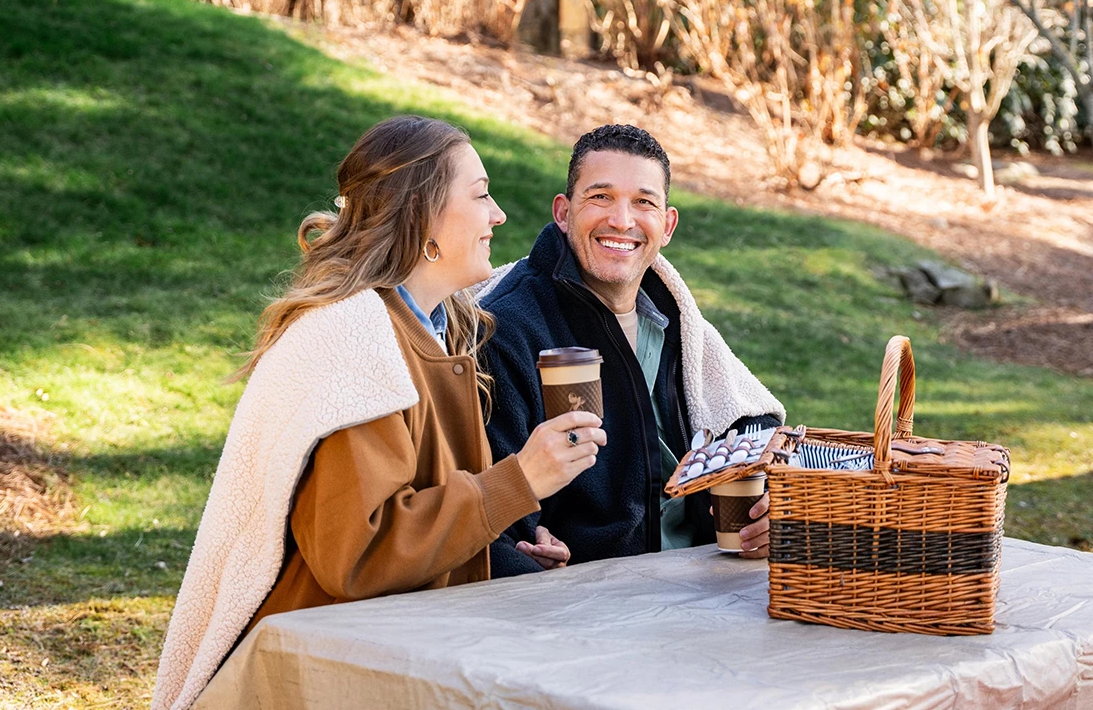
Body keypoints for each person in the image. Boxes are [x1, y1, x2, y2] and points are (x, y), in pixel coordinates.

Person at [152, 116, 605, 710]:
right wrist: (518, 481)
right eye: (481, 194)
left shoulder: (436, 329)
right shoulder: (354, 338)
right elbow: (356, 554)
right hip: (320, 672)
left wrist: (500, 547)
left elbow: (421, 505)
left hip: (382, 645)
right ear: (425, 222)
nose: (497, 214)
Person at [478, 124, 785, 575]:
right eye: (600, 197)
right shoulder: (510, 326)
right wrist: (537, 555)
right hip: (596, 596)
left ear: (667, 225)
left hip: (706, 574)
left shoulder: (673, 316)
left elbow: (742, 411)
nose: (622, 220)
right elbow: (492, 512)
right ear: (563, 213)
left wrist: (769, 501)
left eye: (643, 202)